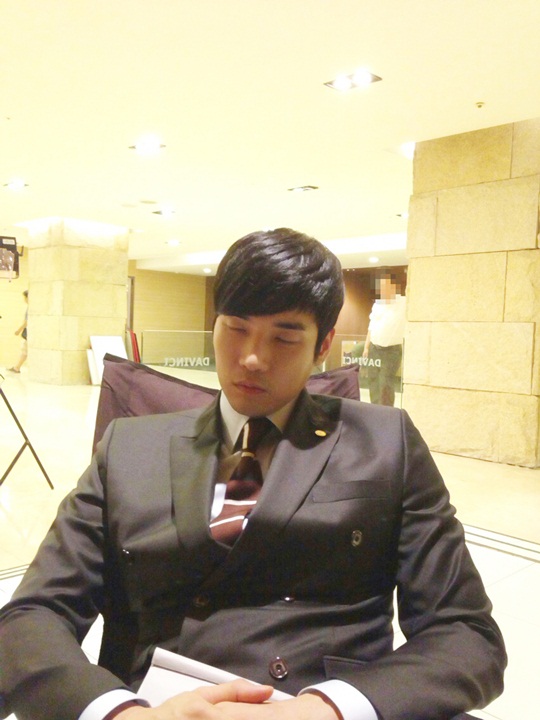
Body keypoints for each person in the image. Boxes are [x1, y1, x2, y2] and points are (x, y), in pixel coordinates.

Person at [0, 229, 505, 720]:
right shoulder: (130, 446)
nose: (252, 359)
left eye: (284, 337)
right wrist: (119, 713)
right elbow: (30, 615)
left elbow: (466, 634)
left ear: (323, 344)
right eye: (236, 328)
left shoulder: (385, 442)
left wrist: (327, 709)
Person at [362, 273, 406, 407]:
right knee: (373, 381)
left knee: (386, 383)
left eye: (386, 286)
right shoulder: (378, 304)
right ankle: (374, 408)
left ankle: (386, 412)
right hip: (374, 348)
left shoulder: (403, 302)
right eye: (381, 287)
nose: (383, 289)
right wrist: (366, 347)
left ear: (394, 286)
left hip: (392, 350)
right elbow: (371, 326)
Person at [8, 289, 28, 374]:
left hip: (28, 334)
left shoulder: (30, 308)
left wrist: (18, 330)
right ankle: (17, 367)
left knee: (24, 350)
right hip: (28, 334)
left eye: (25, 297)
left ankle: (17, 368)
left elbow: (27, 322)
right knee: (24, 351)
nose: (24, 300)